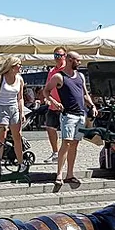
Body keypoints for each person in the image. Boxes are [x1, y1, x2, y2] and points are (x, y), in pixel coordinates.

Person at [44, 51, 96, 187]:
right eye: (77, 60)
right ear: (69, 59)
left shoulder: (80, 76)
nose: (79, 63)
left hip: (80, 114)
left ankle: (70, 174)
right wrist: (54, 102)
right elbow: (46, 91)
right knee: (66, 143)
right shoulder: (58, 77)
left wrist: (92, 105)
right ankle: (59, 173)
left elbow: (84, 94)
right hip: (68, 115)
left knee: (75, 144)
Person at [0, 56, 28, 173]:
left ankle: (21, 163)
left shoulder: (19, 79)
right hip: (1, 108)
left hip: (14, 108)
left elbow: (20, 98)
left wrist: (22, 112)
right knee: (1, 137)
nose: (20, 66)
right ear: (12, 66)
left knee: (17, 136)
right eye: (19, 64)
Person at [42, 47, 68, 162]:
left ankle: (65, 154)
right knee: (50, 128)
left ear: (65, 56)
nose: (57, 58)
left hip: (66, 105)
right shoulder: (52, 71)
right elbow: (47, 86)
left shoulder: (67, 69)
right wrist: (48, 99)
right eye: (55, 56)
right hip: (53, 104)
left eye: (60, 55)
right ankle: (55, 152)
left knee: (66, 132)